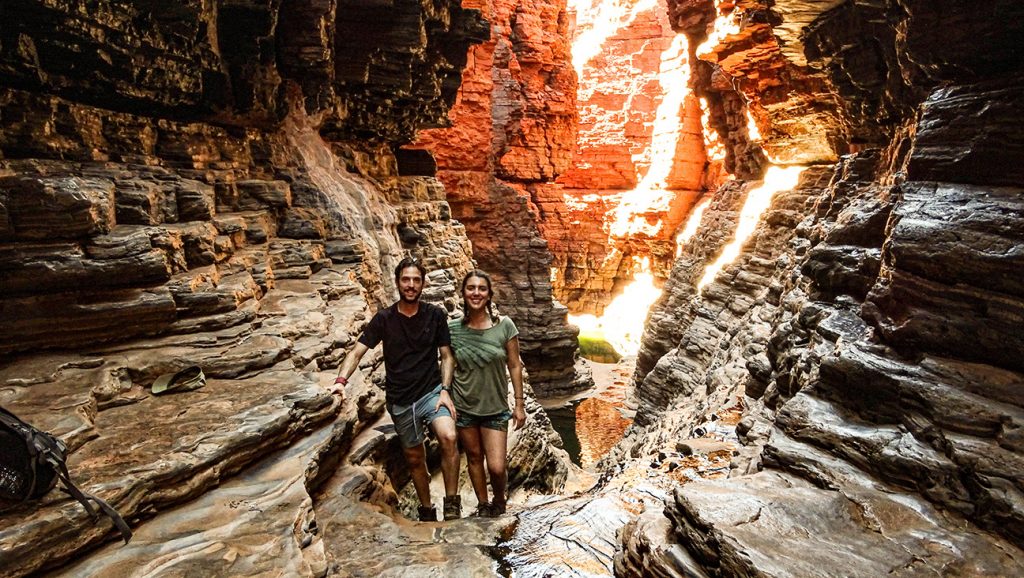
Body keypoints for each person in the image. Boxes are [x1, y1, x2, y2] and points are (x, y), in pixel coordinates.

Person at [333, 257, 462, 521]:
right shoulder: (384, 319)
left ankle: (452, 504)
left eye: (416, 280)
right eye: (406, 280)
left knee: (448, 436)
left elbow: (447, 356)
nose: (411, 285)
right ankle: (427, 510)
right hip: (401, 400)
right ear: (397, 282)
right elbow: (357, 352)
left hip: (431, 393)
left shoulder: (435, 315)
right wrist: (340, 382)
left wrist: (445, 390)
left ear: (423, 283)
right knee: (415, 459)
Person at [447, 270, 526, 517]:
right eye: (471, 288)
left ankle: (499, 500)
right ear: (463, 293)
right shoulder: (452, 329)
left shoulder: (505, 326)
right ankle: (483, 504)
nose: (476, 293)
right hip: (464, 406)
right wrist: (445, 393)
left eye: (482, 288)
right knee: (473, 458)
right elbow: (446, 361)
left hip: (495, 408)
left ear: (489, 295)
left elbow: (514, 364)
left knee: (496, 466)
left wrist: (519, 404)